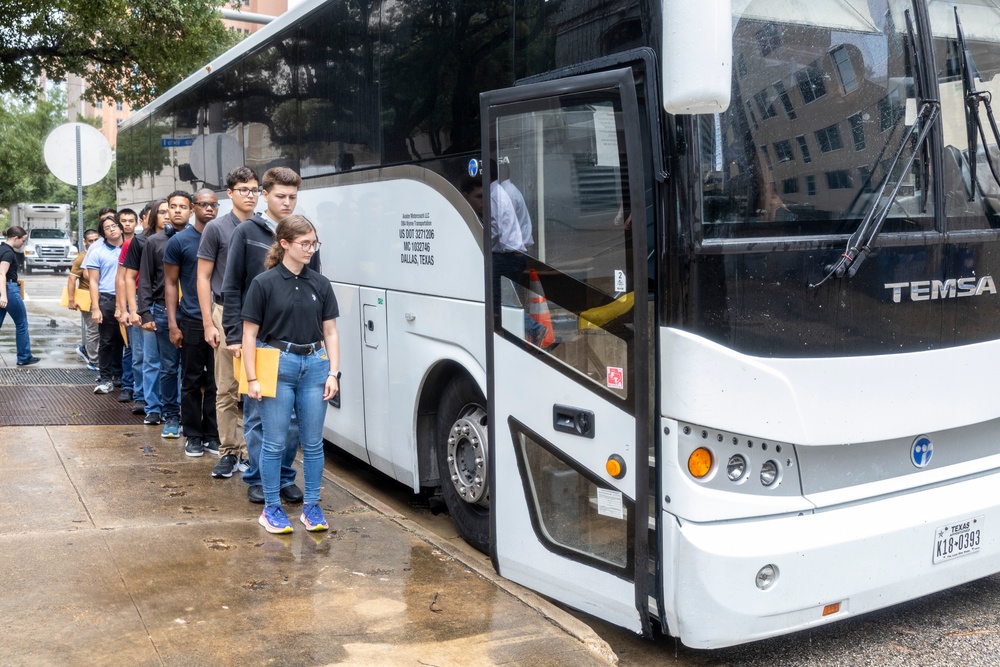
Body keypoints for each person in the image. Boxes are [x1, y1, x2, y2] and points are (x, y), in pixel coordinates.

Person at [222, 166, 318, 504]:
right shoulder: (246, 231)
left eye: (293, 197)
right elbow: (231, 286)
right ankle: (260, 478)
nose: (288, 202)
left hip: (297, 343)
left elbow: (314, 289)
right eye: (281, 196)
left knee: (291, 421)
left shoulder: (305, 233)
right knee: (259, 416)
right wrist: (233, 334)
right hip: (258, 340)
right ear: (265, 195)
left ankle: (284, 477)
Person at [242, 215, 340, 533]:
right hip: (277, 364)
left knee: (313, 443)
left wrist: (334, 373)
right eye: (305, 243)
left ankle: (311, 506)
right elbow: (248, 334)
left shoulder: (320, 284)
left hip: (315, 365)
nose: (311, 249)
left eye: (315, 243)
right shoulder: (264, 283)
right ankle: (271, 508)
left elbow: (331, 331)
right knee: (274, 442)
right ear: (285, 244)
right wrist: (252, 378)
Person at [198, 167, 258, 478]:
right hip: (225, 313)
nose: (250, 195)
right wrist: (209, 322)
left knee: (258, 389)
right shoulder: (216, 229)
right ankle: (229, 451)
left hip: (261, 318)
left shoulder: (267, 227)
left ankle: (253, 452)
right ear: (230, 193)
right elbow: (204, 277)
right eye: (244, 189)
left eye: (254, 189)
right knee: (226, 389)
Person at [165, 189, 220, 457]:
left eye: (213, 205)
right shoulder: (180, 241)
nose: (208, 208)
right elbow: (171, 284)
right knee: (191, 379)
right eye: (203, 204)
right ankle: (193, 435)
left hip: (221, 319)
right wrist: (173, 325)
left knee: (216, 381)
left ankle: (212, 434)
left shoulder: (225, 235)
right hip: (193, 320)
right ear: (193, 208)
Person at [138, 191, 191, 438]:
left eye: (183, 206)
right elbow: (145, 280)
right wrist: (145, 313)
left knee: (193, 369)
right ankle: (171, 415)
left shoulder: (201, 238)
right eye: (173, 206)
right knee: (169, 367)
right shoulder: (154, 242)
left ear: (191, 210)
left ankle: (191, 418)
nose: (178, 210)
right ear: (166, 211)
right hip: (162, 310)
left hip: (194, 311)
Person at [124, 199, 168, 426]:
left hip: (175, 306)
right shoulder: (140, 241)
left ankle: (170, 408)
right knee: (149, 359)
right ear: (152, 216)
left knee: (171, 363)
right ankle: (151, 406)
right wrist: (133, 309)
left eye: (170, 211)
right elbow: (129, 277)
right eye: (162, 212)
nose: (167, 215)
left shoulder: (178, 237)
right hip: (147, 304)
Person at [84, 215, 125, 393]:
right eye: (107, 228)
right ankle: (106, 378)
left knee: (128, 343)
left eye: (114, 225)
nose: (112, 229)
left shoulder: (132, 247)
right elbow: (93, 281)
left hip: (130, 299)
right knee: (107, 341)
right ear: (103, 233)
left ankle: (126, 379)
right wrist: (96, 308)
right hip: (107, 299)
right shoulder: (98, 251)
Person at [0, 226, 39, 366]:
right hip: (9, 290)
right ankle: (24, 357)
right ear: (15, 238)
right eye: (23, 240)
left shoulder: (1, 249)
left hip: (4, 290)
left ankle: (24, 356)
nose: (23, 243)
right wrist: (3, 296)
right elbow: (1, 274)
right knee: (21, 323)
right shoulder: (8, 253)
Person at [114, 208, 139, 403]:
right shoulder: (129, 245)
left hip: (154, 299)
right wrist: (121, 308)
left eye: (131, 220)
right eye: (124, 220)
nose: (127, 224)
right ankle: (128, 386)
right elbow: (121, 278)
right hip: (134, 299)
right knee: (132, 348)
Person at [67, 228, 101, 370]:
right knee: (93, 329)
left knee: (101, 330)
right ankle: (93, 360)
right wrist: (71, 300)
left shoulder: (101, 252)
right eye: (90, 240)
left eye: (96, 239)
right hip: (87, 298)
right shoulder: (82, 258)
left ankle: (87, 350)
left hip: (102, 298)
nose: (93, 242)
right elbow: (71, 279)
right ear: (85, 242)